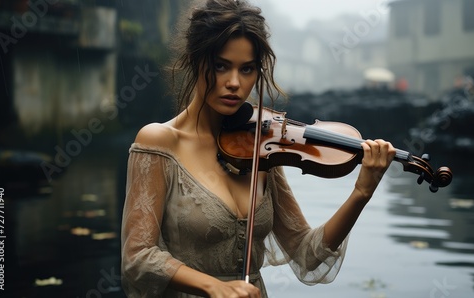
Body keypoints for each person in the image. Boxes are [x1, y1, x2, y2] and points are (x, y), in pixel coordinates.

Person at [120, 0, 396, 297]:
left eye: (247, 69)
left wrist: (361, 193)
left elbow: (306, 254)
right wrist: (215, 287)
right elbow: (138, 255)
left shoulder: (260, 147)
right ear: (195, 60)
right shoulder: (159, 141)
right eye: (221, 66)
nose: (235, 83)